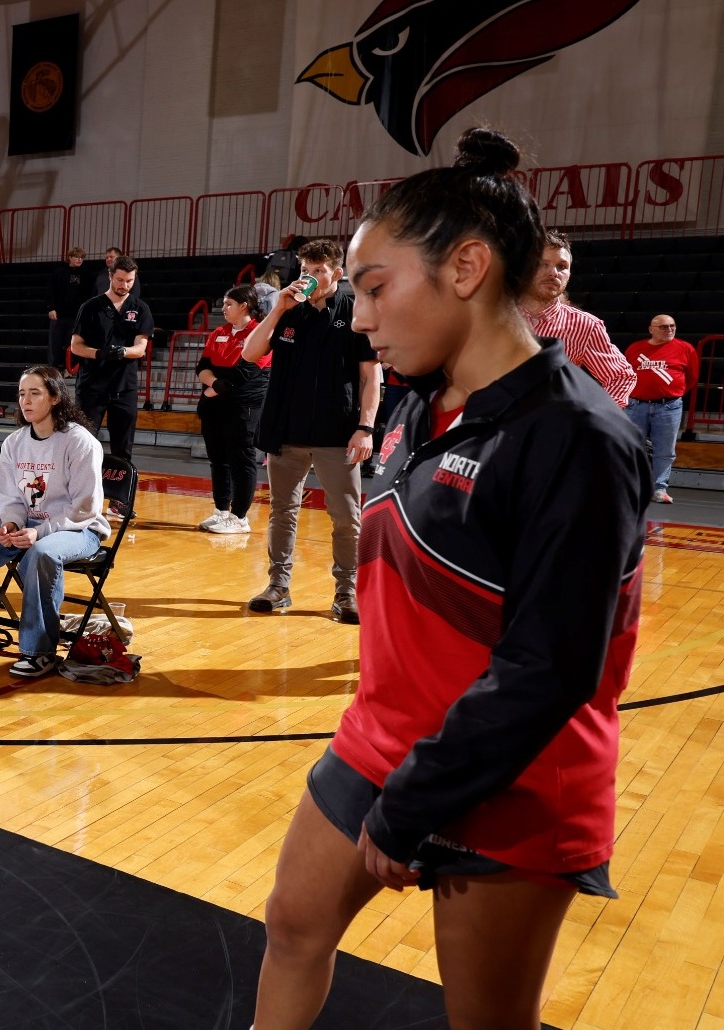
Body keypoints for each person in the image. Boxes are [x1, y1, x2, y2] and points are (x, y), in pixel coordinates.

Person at [253, 126, 651, 1030]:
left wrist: (412, 806)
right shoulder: (414, 399)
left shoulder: (578, 439)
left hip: (514, 779)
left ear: (465, 268)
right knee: (291, 925)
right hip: (379, 742)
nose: (358, 316)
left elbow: (547, 671)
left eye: (375, 286)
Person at [242, 238, 380, 624]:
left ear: (337, 274)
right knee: (282, 512)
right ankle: (278, 587)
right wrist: (277, 309)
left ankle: (346, 592)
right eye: (305, 270)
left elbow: (372, 376)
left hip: (337, 433)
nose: (310, 277)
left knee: (346, 517)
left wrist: (365, 427)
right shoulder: (288, 310)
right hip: (285, 431)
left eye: (319, 271)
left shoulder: (355, 313)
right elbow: (250, 354)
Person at [0, 364, 107, 678]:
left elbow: (85, 507)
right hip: (30, 525)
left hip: (78, 529)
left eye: (35, 393)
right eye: (21, 394)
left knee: (42, 553)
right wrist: (12, 524)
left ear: (56, 397)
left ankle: (39, 652)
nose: (26, 401)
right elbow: (9, 497)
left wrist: (39, 530)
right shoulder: (14, 443)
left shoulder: (79, 442)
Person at [521, 231, 635, 407]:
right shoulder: (490, 316)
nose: (553, 273)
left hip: (550, 430)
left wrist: (594, 417)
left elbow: (620, 376)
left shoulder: (585, 325)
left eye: (562, 266)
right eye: (543, 264)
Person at [197, 286, 270, 533]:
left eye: (228, 304)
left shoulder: (260, 334)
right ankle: (221, 511)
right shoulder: (219, 332)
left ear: (244, 306)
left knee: (241, 460)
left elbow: (243, 374)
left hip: (242, 407)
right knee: (218, 460)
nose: (223, 308)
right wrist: (215, 384)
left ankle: (240, 517)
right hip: (215, 405)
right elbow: (203, 367)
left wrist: (214, 386)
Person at [70, 254, 152, 460]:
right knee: (83, 445)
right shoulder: (89, 307)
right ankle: (80, 491)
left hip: (124, 387)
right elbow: (75, 346)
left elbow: (141, 347)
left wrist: (123, 351)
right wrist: (99, 353)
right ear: (110, 275)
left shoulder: (140, 308)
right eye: (120, 280)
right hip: (92, 386)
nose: (124, 285)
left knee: (123, 449)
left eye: (129, 281)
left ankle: (120, 491)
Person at [624, 315, 699, 504]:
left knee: (665, 449)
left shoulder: (685, 348)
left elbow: (692, 377)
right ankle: (631, 486)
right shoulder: (635, 348)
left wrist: (672, 392)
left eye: (672, 326)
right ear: (651, 329)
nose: (669, 330)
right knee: (631, 446)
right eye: (664, 327)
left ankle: (659, 488)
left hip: (669, 406)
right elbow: (624, 373)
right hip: (636, 405)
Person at [47, 246, 95, 368]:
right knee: (56, 343)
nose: (79, 260)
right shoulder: (59, 273)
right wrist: (51, 308)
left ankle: (72, 367)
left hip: (76, 316)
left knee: (73, 343)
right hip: (59, 314)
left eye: (81, 258)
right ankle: (57, 367)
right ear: (70, 258)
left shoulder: (88, 274)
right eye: (77, 257)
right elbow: (51, 291)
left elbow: (90, 295)